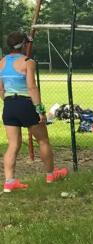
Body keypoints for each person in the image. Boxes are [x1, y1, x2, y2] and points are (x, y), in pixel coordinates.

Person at [1, 31, 68, 193]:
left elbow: (1, 89)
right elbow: (31, 87)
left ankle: (9, 182)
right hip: (26, 104)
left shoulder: (1, 62)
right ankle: (50, 175)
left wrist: (10, 102)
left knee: (13, 145)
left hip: (9, 105)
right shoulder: (28, 62)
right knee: (43, 140)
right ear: (24, 44)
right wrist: (40, 110)